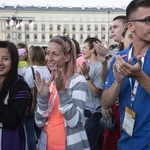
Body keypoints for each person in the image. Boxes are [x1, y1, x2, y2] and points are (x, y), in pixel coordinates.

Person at [102, 0, 150, 149]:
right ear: (131, 26)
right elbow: (105, 103)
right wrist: (118, 81)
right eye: (147, 20)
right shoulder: (120, 58)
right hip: (125, 143)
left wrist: (139, 76)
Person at [34, 36, 90, 150]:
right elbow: (39, 122)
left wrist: (62, 92)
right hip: (47, 144)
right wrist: (44, 97)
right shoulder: (49, 82)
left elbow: (74, 121)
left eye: (55, 54)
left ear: (67, 57)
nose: (49, 58)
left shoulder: (78, 81)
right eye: (47, 53)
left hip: (69, 145)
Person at [0, 41, 31, 150]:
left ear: (13, 61)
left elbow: (14, 120)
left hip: (10, 142)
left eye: (5, 59)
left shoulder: (20, 86)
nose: (0, 63)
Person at [24, 46, 51, 150]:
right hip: (44, 105)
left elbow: (27, 87)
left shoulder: (30, 70)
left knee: (30, 133)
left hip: (31, 106)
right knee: (41, 132)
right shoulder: (47, 69)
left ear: (31, 56)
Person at [81, 37, 104, 150]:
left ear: (93, 50)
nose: (82, 50)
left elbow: (96, 92)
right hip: (88, 113)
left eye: (85, 47)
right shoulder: (88, 65)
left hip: (95, 115)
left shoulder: (100, 66)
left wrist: (86, 76)